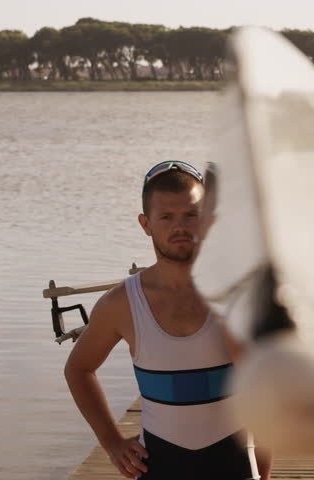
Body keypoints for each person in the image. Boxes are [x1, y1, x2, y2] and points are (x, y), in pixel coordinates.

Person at [64, 160, 268, 480]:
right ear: (146, 224)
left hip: (235, 462)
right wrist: (112, 442)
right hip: (159, 464)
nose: (180, 227)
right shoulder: (121, 304)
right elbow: (78, 369)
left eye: (191, 215)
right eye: (166, 217)